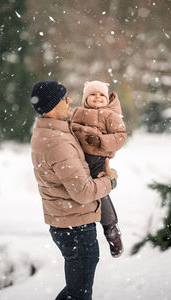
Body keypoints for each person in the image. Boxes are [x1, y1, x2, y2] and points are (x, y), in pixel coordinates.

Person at [30, 80, 118, 300]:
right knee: (78, 294)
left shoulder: (53, 133)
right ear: (51, 106)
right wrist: (110, 181)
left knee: (75, 292)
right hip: (77, 229)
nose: (70, 100)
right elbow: (84, 192)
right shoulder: (57, 142)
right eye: (64, 98)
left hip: (68, 224)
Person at [70, 80, 127, 258]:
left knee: (99, 192)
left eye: (102, 95)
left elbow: (121, 136)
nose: (98, 97)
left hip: (97, 159)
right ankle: (83, 229)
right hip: (78, 158)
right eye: (93, 94)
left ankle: (111, 230)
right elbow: (70, 129)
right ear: (86, 98)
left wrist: (101, 140)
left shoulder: (110, 116)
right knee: (80, 192)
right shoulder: (78, 112)